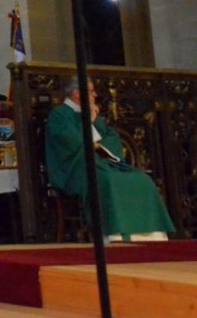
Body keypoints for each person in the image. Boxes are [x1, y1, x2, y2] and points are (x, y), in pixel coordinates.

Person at [45, 76, 175, 242]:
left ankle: (152, 234)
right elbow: (70, 144)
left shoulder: (90, 112)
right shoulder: (59, 115)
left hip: (103, 164)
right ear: (77, 93)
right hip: (77, 170)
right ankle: (117, 234)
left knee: (142, 179)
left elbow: (111, 137)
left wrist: (97, 137)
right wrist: (89, 122)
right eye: (91, 91)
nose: (95, 96)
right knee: (108, 180)